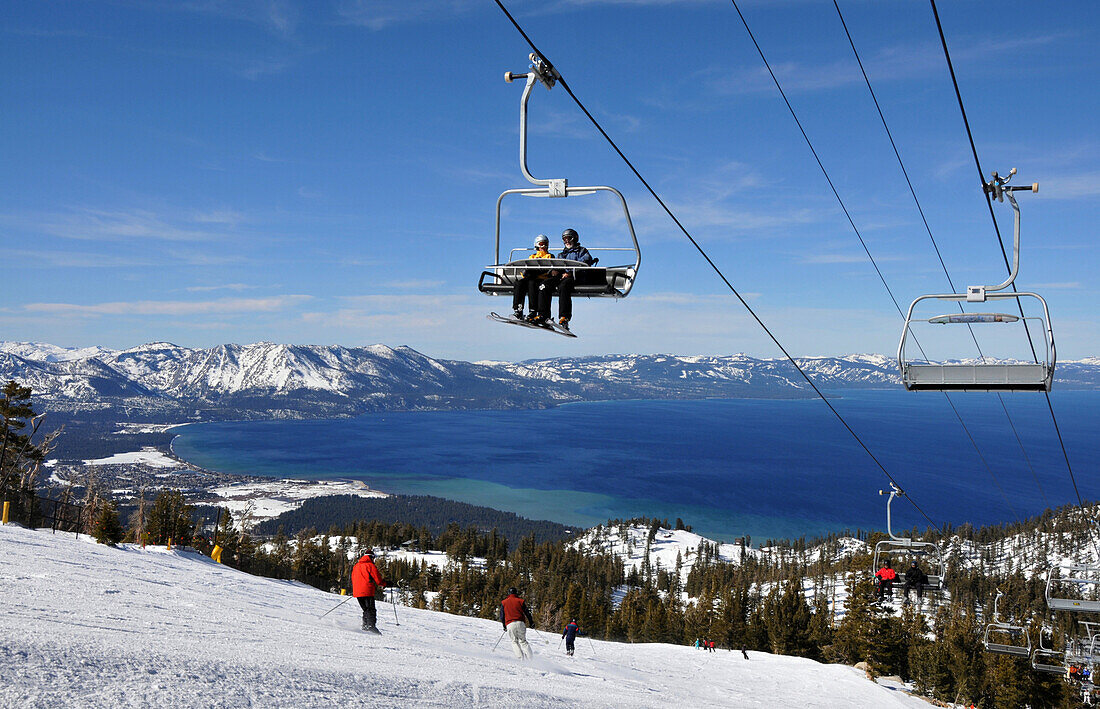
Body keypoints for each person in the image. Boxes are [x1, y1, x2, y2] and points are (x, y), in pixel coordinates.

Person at [536, 228, 596, 331]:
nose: (567, 241)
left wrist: (570, 272)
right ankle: (543, 315)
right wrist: (554, 271)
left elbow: (586, 261)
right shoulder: (561, 254)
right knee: (544, 285)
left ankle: (564, 317)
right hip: (562, 276)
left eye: (569, 238)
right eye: (564, 239)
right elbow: (556, 265)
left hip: (576, 277)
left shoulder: (581, 251)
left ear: (575, 238)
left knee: (563, 287)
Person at [511, 234, 554, 322]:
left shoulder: (549, 256)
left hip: (542, 278)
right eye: (542, 244)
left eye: (546, 244)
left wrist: (534, 271)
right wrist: (529, 272)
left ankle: (533, 311)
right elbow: (528, 267)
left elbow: (547, 268)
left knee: (532, 283)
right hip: (531, 277)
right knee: (519, 283)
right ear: (537, 245)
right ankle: (518, 310)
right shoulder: (532, 257)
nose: (544, 246)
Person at [351, 550, 385, 634]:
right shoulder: (370, 565)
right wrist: (386, 584)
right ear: (371, 557)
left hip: (357, 591)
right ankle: (371, 627)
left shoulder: (356, 565)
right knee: (370, 609)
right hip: (367, 591)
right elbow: (378, 580)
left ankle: (365, 626)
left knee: (365, 609)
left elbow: (353, 578)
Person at [500, 587, 535, 660]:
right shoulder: (520, 601)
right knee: (523, 641)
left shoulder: (504, 602)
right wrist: (531, 622)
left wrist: (504, 625)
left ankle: (520, 658)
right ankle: (531, 659)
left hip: (510, 624)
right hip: (520, 623)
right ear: (516, 593)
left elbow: (502, 616)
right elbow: (527, 613)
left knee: (514, 641)